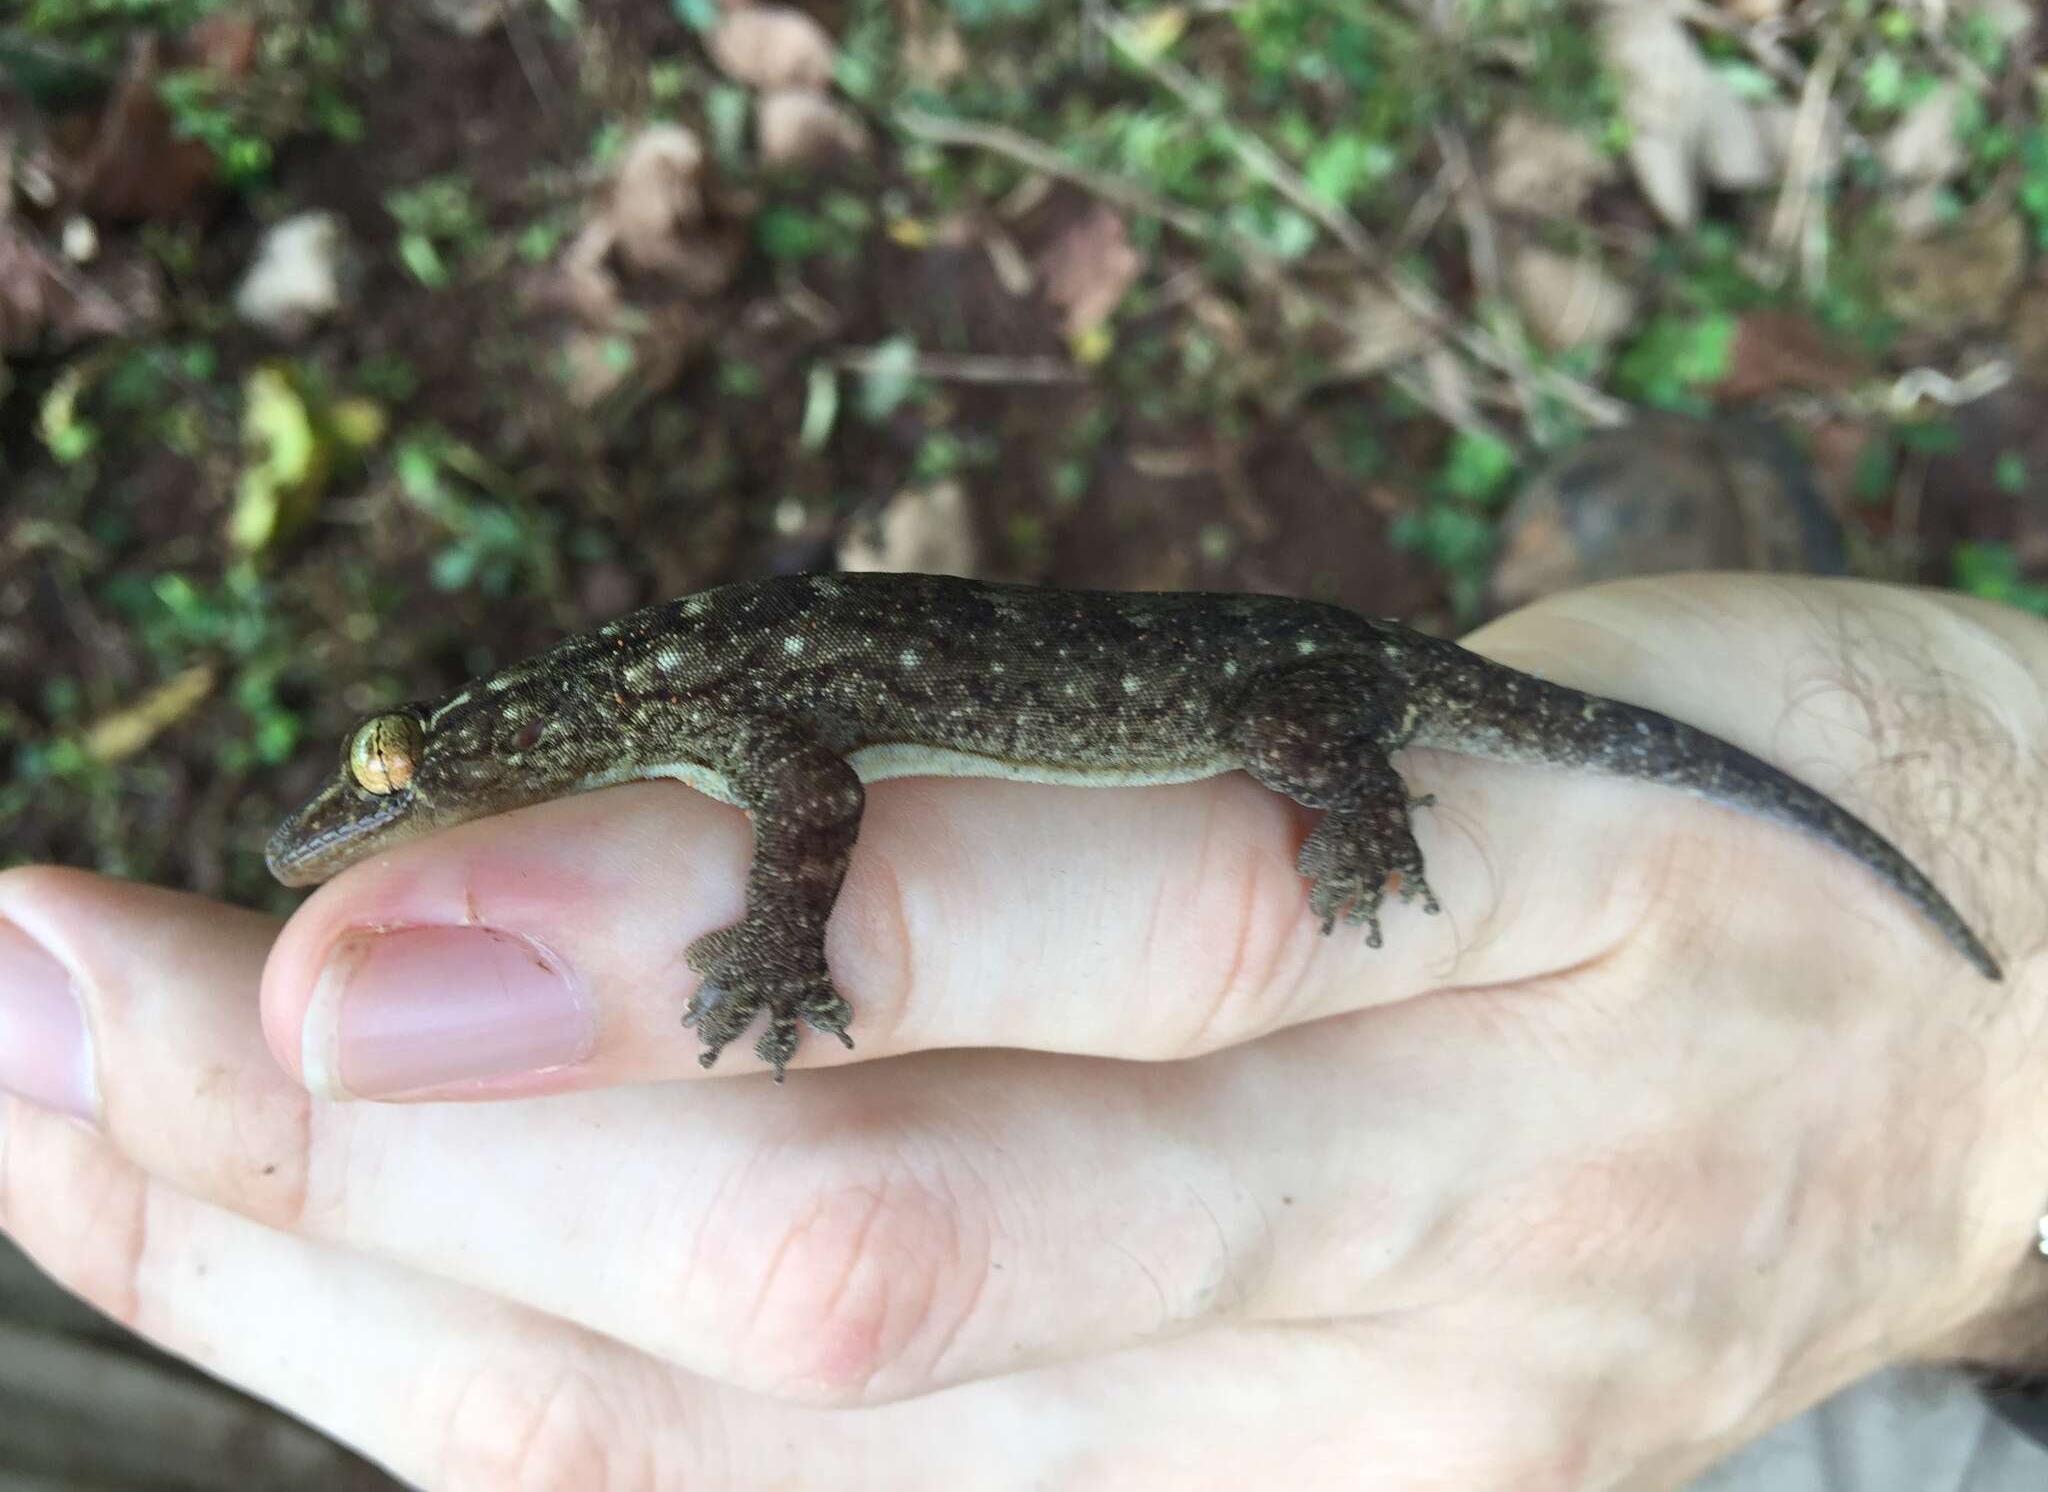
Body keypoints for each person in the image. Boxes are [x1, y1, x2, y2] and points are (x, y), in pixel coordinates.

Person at [1, 572, 2044, 1490]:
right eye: (386, 789)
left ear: (527, 736)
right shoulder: (672, 698)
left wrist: (786, 955)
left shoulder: (707, 714)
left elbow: (813, 814)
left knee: (1319, 736)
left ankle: (1386, 801)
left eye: (395, 777)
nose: (366, 819)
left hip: (1294, 690)